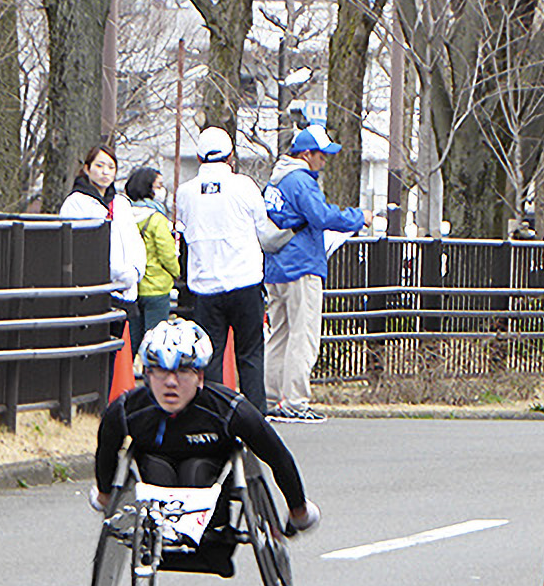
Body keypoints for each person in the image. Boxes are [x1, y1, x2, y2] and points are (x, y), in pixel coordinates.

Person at [92, 318, 320, 577]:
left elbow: (277, 456)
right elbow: (106, 452)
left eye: (182, 373)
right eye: (161, 372)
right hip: (154, 493)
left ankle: (208, 540)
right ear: (147, 374)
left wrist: (297, 508)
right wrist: (105, 494)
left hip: (211, 497)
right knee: (157, 469)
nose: (170, 383)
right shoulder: (125, 411)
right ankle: (159, 533)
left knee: (196, 470)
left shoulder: (229, 409)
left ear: (200, 376)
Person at [261, 124, 373, 423]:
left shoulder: (276, 181)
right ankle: (296, 402)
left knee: (278, 335)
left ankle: (270, 399)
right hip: (302, 265)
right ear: (307, 154)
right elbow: (321, 216)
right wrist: (358, 217)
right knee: (303, 335)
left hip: (275, 266)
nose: (325, 161)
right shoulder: (301, 181)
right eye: (322, 155)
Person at [174, 127, 271, 413]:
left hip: (205, 285)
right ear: (230, 156)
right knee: (250, 353)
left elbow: (183, 231)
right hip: (245, 280)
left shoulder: (186, 192)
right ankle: (255, 418)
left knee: (210, 356)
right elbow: (262, 227)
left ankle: (215, 414)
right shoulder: (244, 186)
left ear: (200, 157)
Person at [60, 144, 146, 356]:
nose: (105, 171)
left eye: (110, 166)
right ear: (87, 169)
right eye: (99, 165)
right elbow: (79, 248)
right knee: (91, 355)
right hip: (94, 291)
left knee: (112, 354)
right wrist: (114, 272)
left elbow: (134, 241)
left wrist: (135, 272)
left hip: (124, 291)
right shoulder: (76, 203)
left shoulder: (121, 203)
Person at [125, 166, 181, 342]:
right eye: (158, 186)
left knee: (132, 340)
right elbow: (167, 254)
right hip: (157, 288)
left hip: (132, 287)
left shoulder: (124, 216)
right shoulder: (157, 219)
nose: (162, 191)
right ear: (147, 188)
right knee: (155, 340)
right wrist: (176, 272)